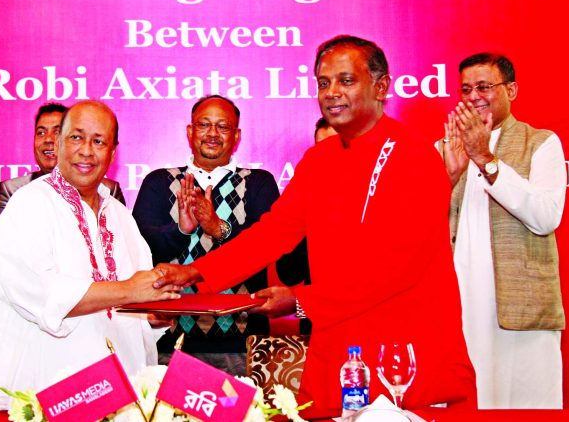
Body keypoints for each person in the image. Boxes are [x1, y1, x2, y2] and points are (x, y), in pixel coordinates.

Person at [153, 35, 476, 416]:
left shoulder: (414, 157)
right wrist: (194, 271)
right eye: (323, 83)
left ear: (381, 86)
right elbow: (274, 231)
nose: (332, 93)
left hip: (403, 355)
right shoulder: (319, 159)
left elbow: (398, 268)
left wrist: (301, 300)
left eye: (345, 80)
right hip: (340, 349)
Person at [0, 101, 180, 410]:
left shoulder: (121, 217)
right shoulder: (29, 204)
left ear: (112, 153)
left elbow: (132, 312)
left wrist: (153, 318)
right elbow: (44, 295)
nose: (87, 150)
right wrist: (128, 290)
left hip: (117, 399)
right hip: (42, 397)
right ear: (57, 144)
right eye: (76, 137)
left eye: (99, 141)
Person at [132, 94, 309, 374]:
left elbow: (267, 247)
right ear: (190, 132)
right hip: (169, 341)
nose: (212, 134)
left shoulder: (259, 183)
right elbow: (141, 252)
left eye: (223, 127)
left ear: (236, 136)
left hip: (244, 343)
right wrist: (181, 230)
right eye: (204, 125)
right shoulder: (159, 181)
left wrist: (219, 228)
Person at [440, 53, 566, 408]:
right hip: (458, 307)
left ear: (511, 89)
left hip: (518, 307)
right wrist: (449, 176)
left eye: (484, 86)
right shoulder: (445, 147)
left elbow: (545, 216)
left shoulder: (540, 143)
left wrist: (487, 159)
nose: (474, 96)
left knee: (525, 407)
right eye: (466, 89)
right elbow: (413, 229)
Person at [0, 102, 124, 219]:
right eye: (41, 133)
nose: (49, 139)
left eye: (56, 131)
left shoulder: (107, 192)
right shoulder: (15, 191)